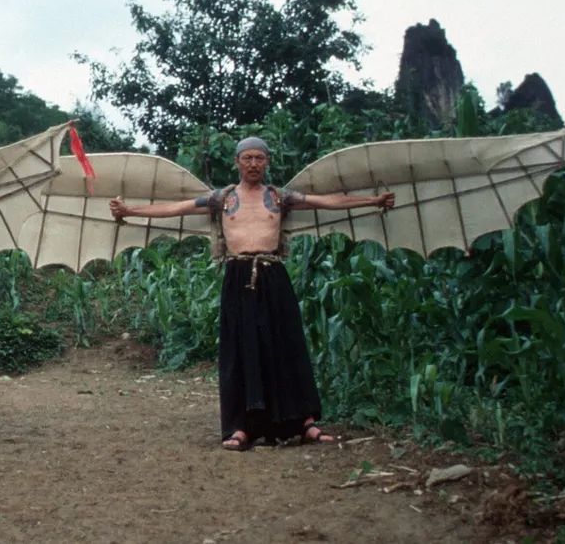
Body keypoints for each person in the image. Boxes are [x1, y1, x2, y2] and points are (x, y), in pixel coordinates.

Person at [109, 137, 395, 451]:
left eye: (259, 158)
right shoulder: (222, 199)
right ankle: (240, 427)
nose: (254, 163)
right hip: (238, 277)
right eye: (247, 158)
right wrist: (129, 210)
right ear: (237, 162)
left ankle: (305, 422)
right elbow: (175, 208)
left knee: (287, 345)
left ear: (267, 162)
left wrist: (373, 201)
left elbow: (326, 201)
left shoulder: (280, 197)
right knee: (240, 351)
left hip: (273, 275)